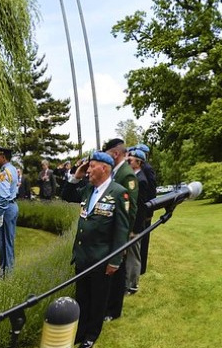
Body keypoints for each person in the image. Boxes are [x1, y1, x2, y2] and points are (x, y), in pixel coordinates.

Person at [62, 152, 130, 348]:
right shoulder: (88, 189)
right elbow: (66, 196)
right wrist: (76, 176)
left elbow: (121, 230)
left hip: (101, 258)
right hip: (82, 255)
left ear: (104, 168)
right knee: (82, 297)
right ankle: (81, 331)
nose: (89, 170)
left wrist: (115, 260)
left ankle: (92, 334)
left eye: (92, 166)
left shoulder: (118, 193)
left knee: (98, 299)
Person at [102, 138, 138, 322]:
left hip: (120, 231)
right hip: (111, 229)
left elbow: (131, 208)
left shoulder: (126, 174)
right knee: (111, 271)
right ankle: (107, 305)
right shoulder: (116, 172)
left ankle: (113, 310)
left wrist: (124, 236)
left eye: (107, 154)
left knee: (118, 270)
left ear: (115, 154)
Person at [125, 149, 152, 295]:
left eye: (131, 160)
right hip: (131, 224)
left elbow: (141, 207)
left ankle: (133, 285)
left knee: (134, 255)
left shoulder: (141, 180)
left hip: (135, 226)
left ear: (139, 162)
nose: (128, 161)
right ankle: (127, 282)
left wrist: (135, 229)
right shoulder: (134, 177)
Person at [0, 146, 19, 279]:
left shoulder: (4, 173)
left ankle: (6, 274)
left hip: (5, 209)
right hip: (11, 207)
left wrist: (0, 214)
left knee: (4, 242)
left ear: (3, 157)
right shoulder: (12, 169)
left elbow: (4, 197)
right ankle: (6, 271)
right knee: (7, 240)